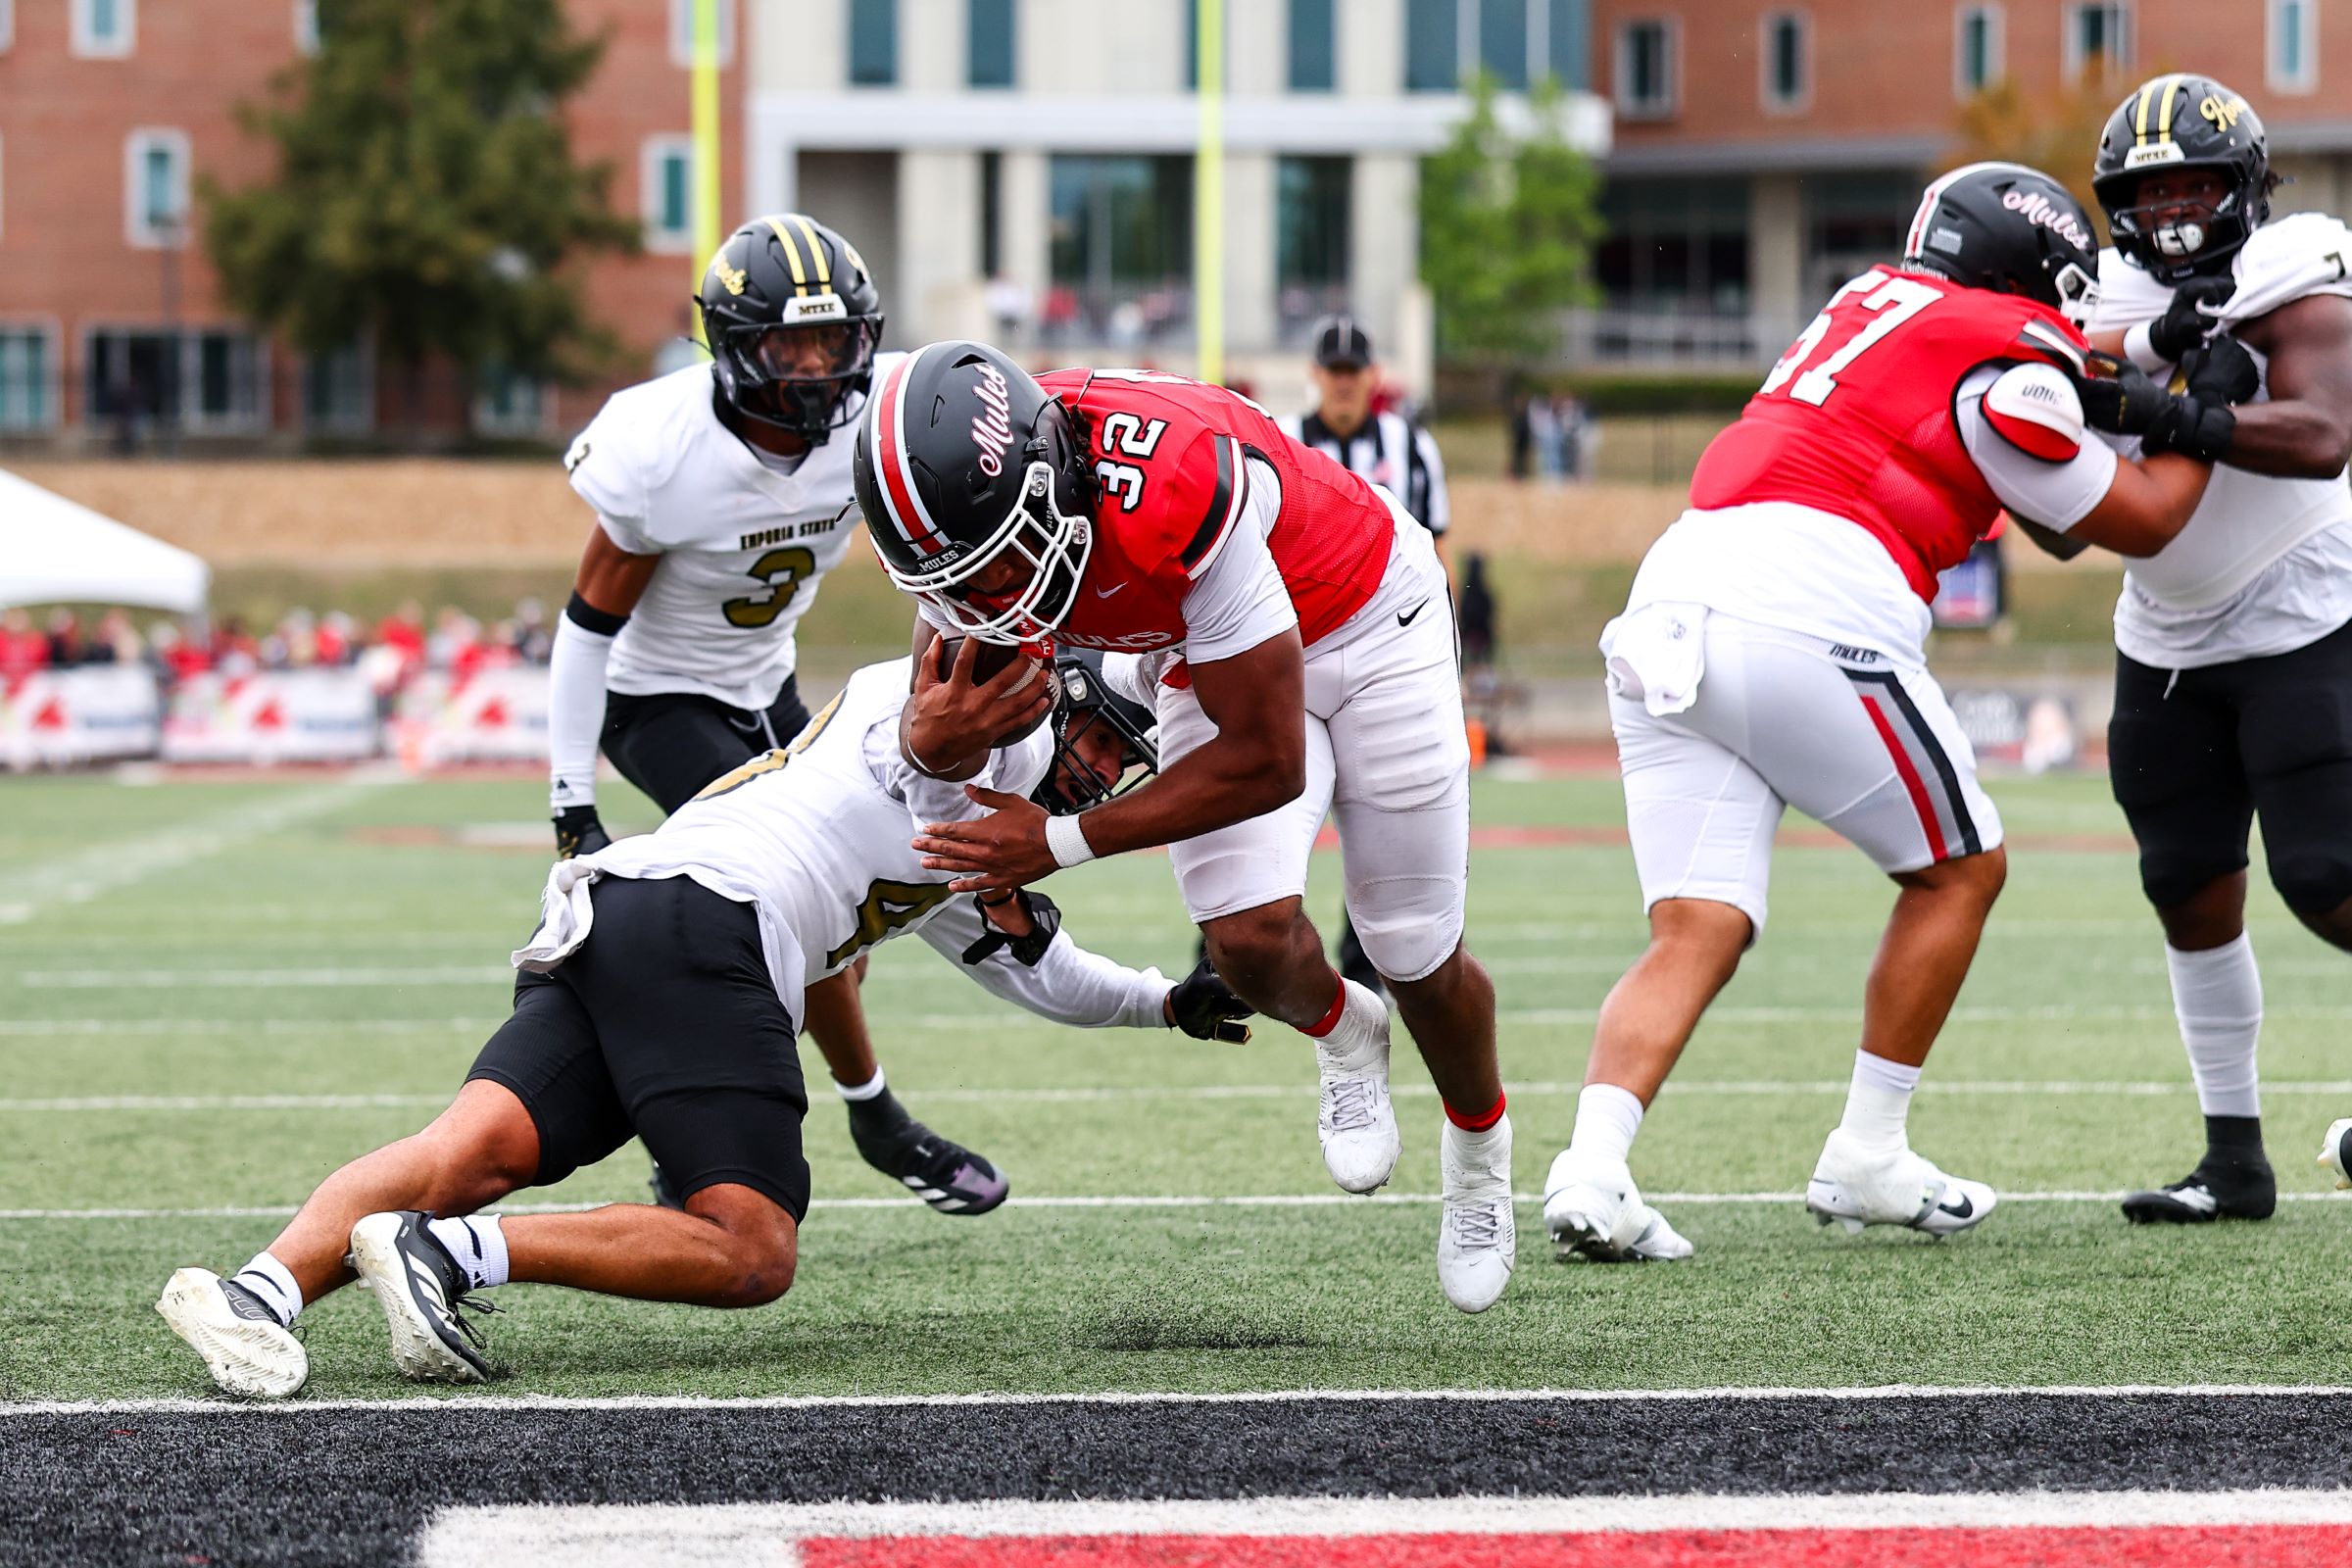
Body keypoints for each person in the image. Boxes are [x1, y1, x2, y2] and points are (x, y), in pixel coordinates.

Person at [153, 650, 1251, 1399]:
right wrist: (938, 743)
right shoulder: (955, 728)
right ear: (1042, 688)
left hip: (622, 909)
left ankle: (257, 1293)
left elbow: (1032, 966)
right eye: (1102, 737)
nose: (1103, 771)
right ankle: (442, 1252)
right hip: (714, 926)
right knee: (751, 1244)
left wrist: (1162, 1000)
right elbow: (914, 745)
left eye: (1123, 758)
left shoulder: (984, 830)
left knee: (465, 1150)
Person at [1539, 164, 2235, 1262]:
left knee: (1697, 924)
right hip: (1807, 606)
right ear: (2031, 272)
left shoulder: (1869, 304)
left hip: (1674, 595)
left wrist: (2145, 370)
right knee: (1962, 868)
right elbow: (2135, 519)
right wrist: (2203, 419)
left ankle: (1591, 1165)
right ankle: (1867, 1149)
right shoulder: (2008, 350)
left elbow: (2046, 424)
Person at [854, 347, 1511, 1314]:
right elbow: (945, 714)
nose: (983, 600)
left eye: (995, 561)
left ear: (1049, 483)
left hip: (1369, 618)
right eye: (954, 577)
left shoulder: (1172, 483)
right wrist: (929, 746)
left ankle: (1480, 1149)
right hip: (1205, 647)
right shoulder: (962, 500)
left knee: (1410, 946)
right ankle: (1341, 1028)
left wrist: (1058, 841)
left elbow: (1267, 758)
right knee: (1244, 940)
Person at [546, 214, 1005, 1215]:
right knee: (785, 908)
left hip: (771, 684)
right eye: (787, 344)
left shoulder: (877, 411)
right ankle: (839, 1117)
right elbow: (585, 627)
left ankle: (863, 1109)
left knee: (840, 923)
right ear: (731, 346)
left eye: (831, 341)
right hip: (658, 697)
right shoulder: (663, 450)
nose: (811, 368)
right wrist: (571, 801)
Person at [2063, 76, 2352, 1223]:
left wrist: (2160, 409)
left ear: (2247, 184)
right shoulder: (2091, 300)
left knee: (2329, 879)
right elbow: (2058, 509)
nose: (2175, 207)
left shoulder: (2299, 260)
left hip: (2305, 614)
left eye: (2194, 181)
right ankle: (2234, 1160)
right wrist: (2105, 396)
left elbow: (2324, 434)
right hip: (2164, 636)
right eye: (2151, 188)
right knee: (2187, 887)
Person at [1279, 314, 1453, 1000]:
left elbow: (1437, 552)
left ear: (1371, 378)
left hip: (1387, 650)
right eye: (1335, 371)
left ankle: (1361, 956)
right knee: (1270, 793)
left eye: (1355, 372)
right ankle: (1237, 941)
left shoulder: (1410, 447)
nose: (1345, 384)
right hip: (1295, 647)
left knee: (1376, 801)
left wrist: (1444, 646)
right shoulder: (1285, 440)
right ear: (1316, 376)